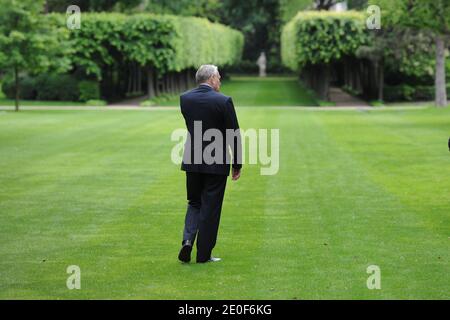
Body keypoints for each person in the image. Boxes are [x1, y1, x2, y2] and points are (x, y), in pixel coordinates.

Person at [178, 64, 242, 263]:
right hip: (216, 160)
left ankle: (187, 241)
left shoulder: (185, 99)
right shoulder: (223, 101)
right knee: (210, 208)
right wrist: (237, 164)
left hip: (193, 159)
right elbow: (234, 134)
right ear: (212, 78)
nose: (220, 81)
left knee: (194, 203)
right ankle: (203, 255)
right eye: (219, 78)